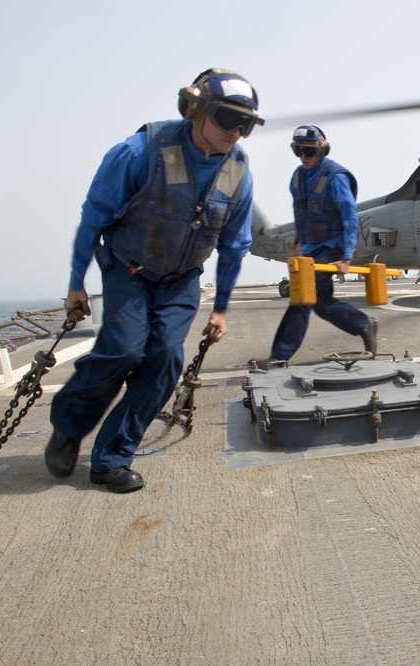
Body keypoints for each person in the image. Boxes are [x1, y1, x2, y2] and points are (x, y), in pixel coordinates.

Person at [44, 68, 262, 493]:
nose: (235, 132)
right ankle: (69, 428)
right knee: (123, 351)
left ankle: (111, 458)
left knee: (164, 359)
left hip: (181, 279)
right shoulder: (139, 152)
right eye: (226, 118)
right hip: (129, 269)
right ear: (194, 109)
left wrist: (220, 310)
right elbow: (93, 219)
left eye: (246, 125)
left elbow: (235, 246)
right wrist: (76, 285)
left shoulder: (237, 174)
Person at [260, 125, 377, 366]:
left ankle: (280, 356)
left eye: (308, 152)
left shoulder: (335, 177)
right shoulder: (298, 177)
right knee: (322, 305)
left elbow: (349, 217)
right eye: (298, 151)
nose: (303, 157)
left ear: (321, 151)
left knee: (302, 297)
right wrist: (295, 246)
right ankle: (363, 323)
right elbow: (299, 213)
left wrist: (346, 256)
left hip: (332, 247)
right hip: (311, 250)